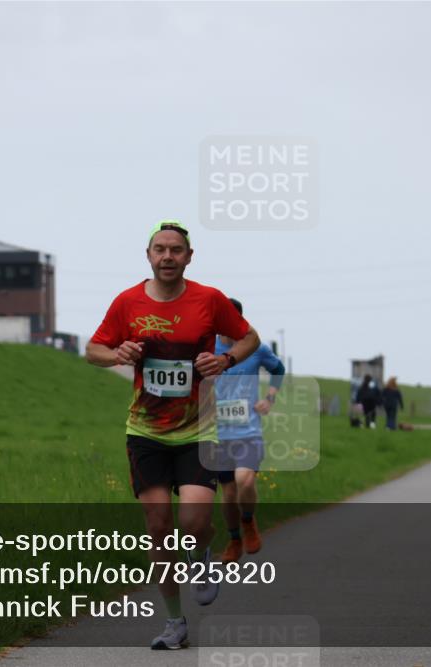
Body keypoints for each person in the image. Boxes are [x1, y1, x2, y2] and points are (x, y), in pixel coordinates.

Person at [86, 220, 260, 650]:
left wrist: (227, 359)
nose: (168, 257)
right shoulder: (127, 302)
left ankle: (200, 558)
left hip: (198, 429)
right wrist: (116, 354)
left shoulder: (210, 299)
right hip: (145, 431)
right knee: (159, 527)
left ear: (188, 257)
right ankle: (174, 622)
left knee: (195, 522)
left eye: (176, 250)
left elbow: (249, 337)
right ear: (148, 256)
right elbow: (93, 349)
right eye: (160, 249)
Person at [213, 298, 286, 563]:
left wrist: (270, 398)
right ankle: (234, 540)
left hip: (248, 432)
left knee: (245, 480)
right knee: (229, 493)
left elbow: (278, 369)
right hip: (217, 434)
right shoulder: (208, 347)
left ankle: (248, 522)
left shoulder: (256, 348)